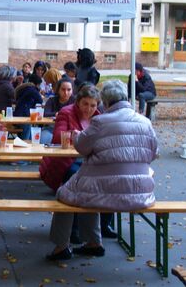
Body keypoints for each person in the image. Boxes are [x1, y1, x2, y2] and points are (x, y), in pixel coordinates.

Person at [46, 80, 157, 261]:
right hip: (141, 191)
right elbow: (154, 153)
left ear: (104, 102)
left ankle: (61, 247)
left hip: (106, 188)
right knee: (87, 189)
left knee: (66, 193)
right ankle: (93, 243)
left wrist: (79, 137)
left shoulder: (100, 122)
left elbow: (81, 147)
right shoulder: (145, 121)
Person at [39, 85, 101, 193]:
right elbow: (58, 137)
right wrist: (78, 137)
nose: (89, 109)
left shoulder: (98, 117)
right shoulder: (66, 112)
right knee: (79, 174)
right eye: (85, 104)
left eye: (93, 105)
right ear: (78, 102)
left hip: (88, 159)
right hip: (65, 161)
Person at [14, 73, 43, 139]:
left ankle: (28, 144)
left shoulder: (24, 88)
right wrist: (38, 91)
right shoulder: (32, 89)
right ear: (37, 84)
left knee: (29, 132)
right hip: (24, 117)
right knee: (26, 135)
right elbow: (40, 100)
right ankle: (26, 144)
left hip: (18, 114)